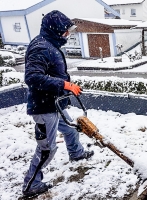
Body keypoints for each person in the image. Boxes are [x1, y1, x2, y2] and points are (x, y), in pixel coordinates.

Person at [22, 10, 94, 198]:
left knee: (70, 130)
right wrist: (64, 84)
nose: (68, 35)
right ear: (54, 30)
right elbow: (32, 77)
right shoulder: (41, 47)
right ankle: (31, 184)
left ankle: (76, 153)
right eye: (65, 31)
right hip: (44, 107)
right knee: (47, 148)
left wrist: (64, 86)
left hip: (54, 103)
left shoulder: (50, 44)